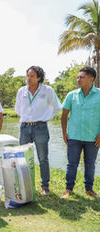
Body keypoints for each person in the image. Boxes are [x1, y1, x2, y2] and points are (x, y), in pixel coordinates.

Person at [15, 66, 61, 195]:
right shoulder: (22, 91)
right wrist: (26, 119)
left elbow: (56, 107)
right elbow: (18, 108)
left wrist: (45, 117)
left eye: (32, 76)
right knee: (23, 157)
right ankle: (26, 184)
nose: (28, 79)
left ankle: (45, 186)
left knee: (42, 158)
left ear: (39, 78)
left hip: (40, 127)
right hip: (24, 127)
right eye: (27, 76)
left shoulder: (47, 90)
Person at [61, 66, 100, 199]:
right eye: (78, 77)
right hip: (74, 136)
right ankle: (68, 189)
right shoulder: (71, 95)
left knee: (90, 164)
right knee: (72, 164)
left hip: (93, 137)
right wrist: (64, 132)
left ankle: (89, 189)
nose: (78, 79)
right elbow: (64, 115)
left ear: (91, 79)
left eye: (81, 77)